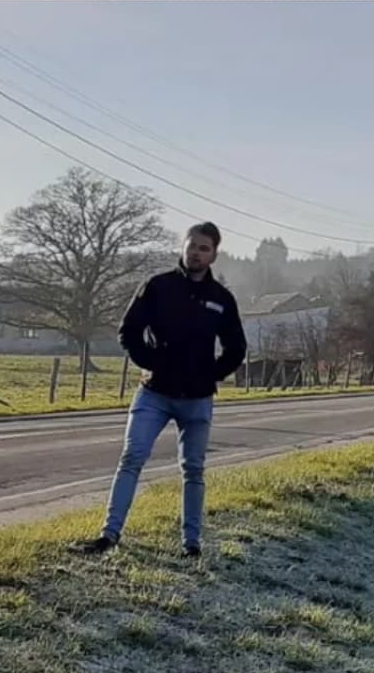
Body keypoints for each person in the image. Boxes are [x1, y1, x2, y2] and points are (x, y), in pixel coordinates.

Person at [73, 222, 246, 559]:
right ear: (183, 246)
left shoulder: (222, 299)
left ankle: (191, 544)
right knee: (131, 459)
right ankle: (108, 536)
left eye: (204, 248)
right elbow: (128, 331)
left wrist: (210, 374)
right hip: (154, 393)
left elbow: (236, 348)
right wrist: (150, 361)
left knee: (193, 470)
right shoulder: (157, 286)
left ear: (214, 255)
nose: (196, 253)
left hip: (197, 399)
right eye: (192, 246)